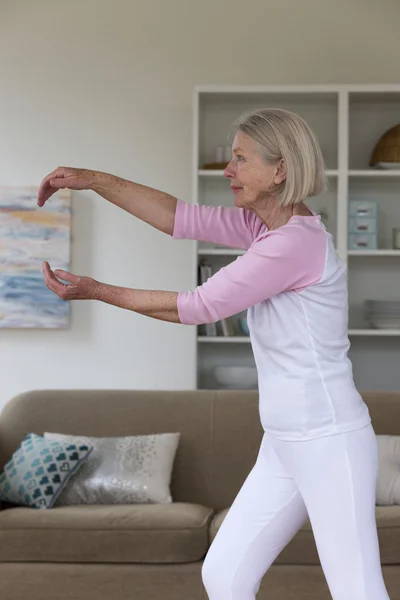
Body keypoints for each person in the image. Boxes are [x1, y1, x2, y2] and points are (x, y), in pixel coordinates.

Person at [37, 108, 390, 600]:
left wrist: (98, 291)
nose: (228, 170)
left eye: (241, 159)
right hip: (285, 441)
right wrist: (92, 179)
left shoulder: (295, 243)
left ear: (279, 170)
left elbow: (199, 306)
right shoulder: (264, 227)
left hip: (329, 441)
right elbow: (177, 217)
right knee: (224, 574)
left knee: (357, 590)